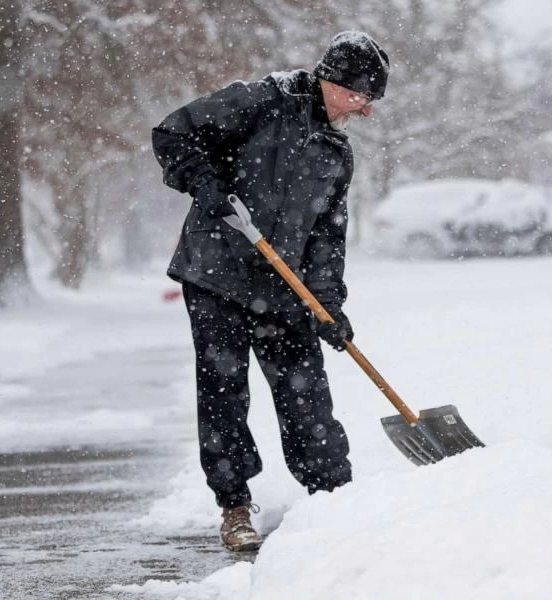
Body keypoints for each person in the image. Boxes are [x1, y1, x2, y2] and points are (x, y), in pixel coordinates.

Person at [151, 31, 389, 552]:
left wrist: (328, 304)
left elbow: (328, 236)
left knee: (306, 392)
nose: (364, 110)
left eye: (369, 100)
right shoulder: (263, 102)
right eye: (360, 96)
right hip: (216, 274)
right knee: (223, 393)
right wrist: (206, 185)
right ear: (333, 80)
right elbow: (173, 133)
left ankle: (333, 496)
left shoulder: (335, 153)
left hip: (284, 289)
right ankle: (233, 506)